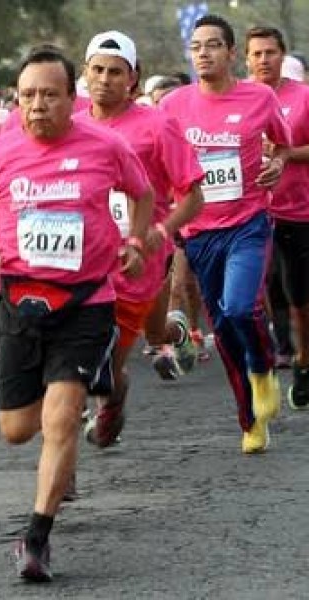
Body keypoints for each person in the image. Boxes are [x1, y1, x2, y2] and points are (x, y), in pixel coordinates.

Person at [0, 48, 153, 583]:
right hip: (19, 301)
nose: (37, 106)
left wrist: (135, 240)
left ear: (73, 98)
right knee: (18, 430)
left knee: (62, 416)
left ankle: (36, 537)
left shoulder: (106, 146)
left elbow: (143, 194)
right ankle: (81, 394)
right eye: (27, 96)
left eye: (49, 94)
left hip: (86, 300)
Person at [160, 14, 291, 453]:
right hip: (200, 234)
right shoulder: (173, 106)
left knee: (240, 307)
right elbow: (158, 160)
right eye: (196, 46)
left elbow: (283, 145)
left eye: (213, 45)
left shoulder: (258, 97)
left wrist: (276, 164)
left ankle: (263, 367)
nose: (203, 53)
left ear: (231, 52)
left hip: (249, 223)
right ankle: (250, 420)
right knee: (222, 327)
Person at [77, 31, 204, 448]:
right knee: (89, 355)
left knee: (146, 339)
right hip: (86, 260)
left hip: (143, 260)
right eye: (97, 69)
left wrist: (160, 232)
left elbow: (193, 195)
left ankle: (173, 335)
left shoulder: (158, 124)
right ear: (85, 72)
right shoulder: (73, 124)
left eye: (116, 72)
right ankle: (82, 428)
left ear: (133, 78)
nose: (105, 79)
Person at [246, 26, 309, 409]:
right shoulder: (241, 97)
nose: (263, 60)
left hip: (299, 209)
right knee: (255, 293)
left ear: (281, 55)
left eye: (270, 52)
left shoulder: (302, 96)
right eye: (256, 53)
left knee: (299, 297)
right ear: (246, 58)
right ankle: (272, 350)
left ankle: (303, 361)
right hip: (253, 211)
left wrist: (283, 151)